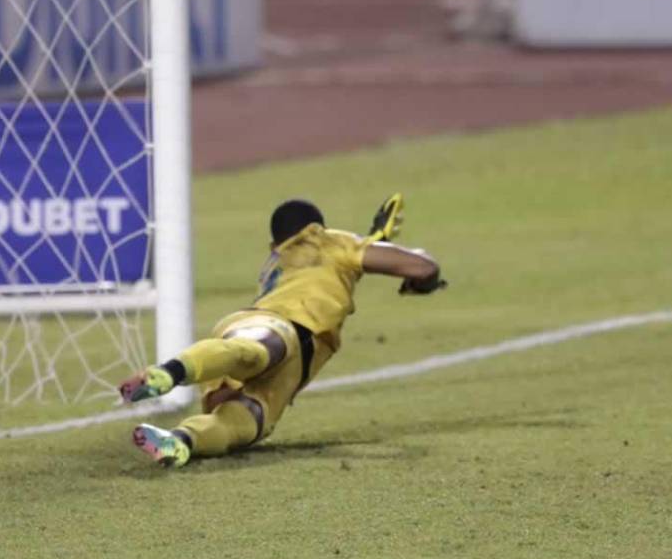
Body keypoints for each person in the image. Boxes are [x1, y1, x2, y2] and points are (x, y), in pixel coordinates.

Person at [119, 194, 446, 467]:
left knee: (245, 420)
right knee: (258, 355)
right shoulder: (325, 240)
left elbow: (349, 266)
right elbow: (422, 266)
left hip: (274, 348)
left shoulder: (278, 261)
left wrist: (374, 247)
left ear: (274, 244)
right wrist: (419, 279)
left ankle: (178, 440)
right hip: (278, 324)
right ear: (317, 228)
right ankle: (167, 374)